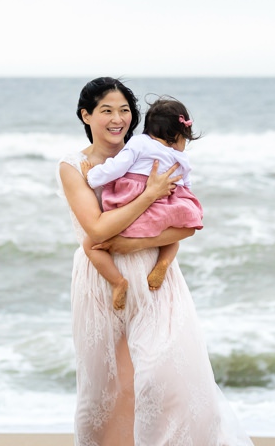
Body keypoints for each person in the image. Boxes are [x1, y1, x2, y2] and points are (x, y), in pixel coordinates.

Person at [58, 76, 271, 446]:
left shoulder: (153, 152)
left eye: (124, 111)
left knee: (165, 373)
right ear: (86, 116)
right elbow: (97, 228)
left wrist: (134, 241)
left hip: (156, 276)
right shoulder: (74, 167)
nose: (118, 119)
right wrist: (150, 194)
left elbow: (184, 224)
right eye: (106, 111)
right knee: (105, 388)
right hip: (101, 282)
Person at [79, 97, 204, 311]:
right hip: (167, 205)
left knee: (90, 245)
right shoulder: (180, 157)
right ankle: (163, 263)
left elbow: (116, 167)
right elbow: (185, 183)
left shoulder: (139, 142)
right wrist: (186, 202)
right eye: (185, 138)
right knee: (172, 234)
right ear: (176, 134)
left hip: (136, 206)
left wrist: (92, 176)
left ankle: (118, 282)